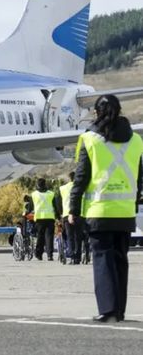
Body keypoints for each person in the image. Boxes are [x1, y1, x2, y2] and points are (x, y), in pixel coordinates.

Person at [69, 94, 143, 323]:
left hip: (99, 211)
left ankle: (108, 309)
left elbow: (81, 177)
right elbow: (139, 178)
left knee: (102, 259)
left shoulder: (90, 139)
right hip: (125, 211)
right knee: (121, 260)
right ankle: (119, 310)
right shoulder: (137, 141)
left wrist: (73, 208)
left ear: (97, 112)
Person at [32, 178, 59, 261]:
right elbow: (55, 206)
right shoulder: (51, 194)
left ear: (37, 185)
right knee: (49, 237)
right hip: (50, 218)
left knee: (40, 237)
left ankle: (39, 254)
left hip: (39, 218)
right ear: (45, 184)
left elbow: (30, 207)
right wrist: (58, 216)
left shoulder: (34, 194)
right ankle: (50, 255)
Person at [56, 172, 79, 264]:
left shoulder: (63, 188)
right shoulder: (80, 187)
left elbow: (58, 201)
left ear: (69, 178)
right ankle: (78, 256)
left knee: (69, 236)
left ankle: (71, 255)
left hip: (66, 214)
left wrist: (60, 213)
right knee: (78, 236)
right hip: (79, 214)